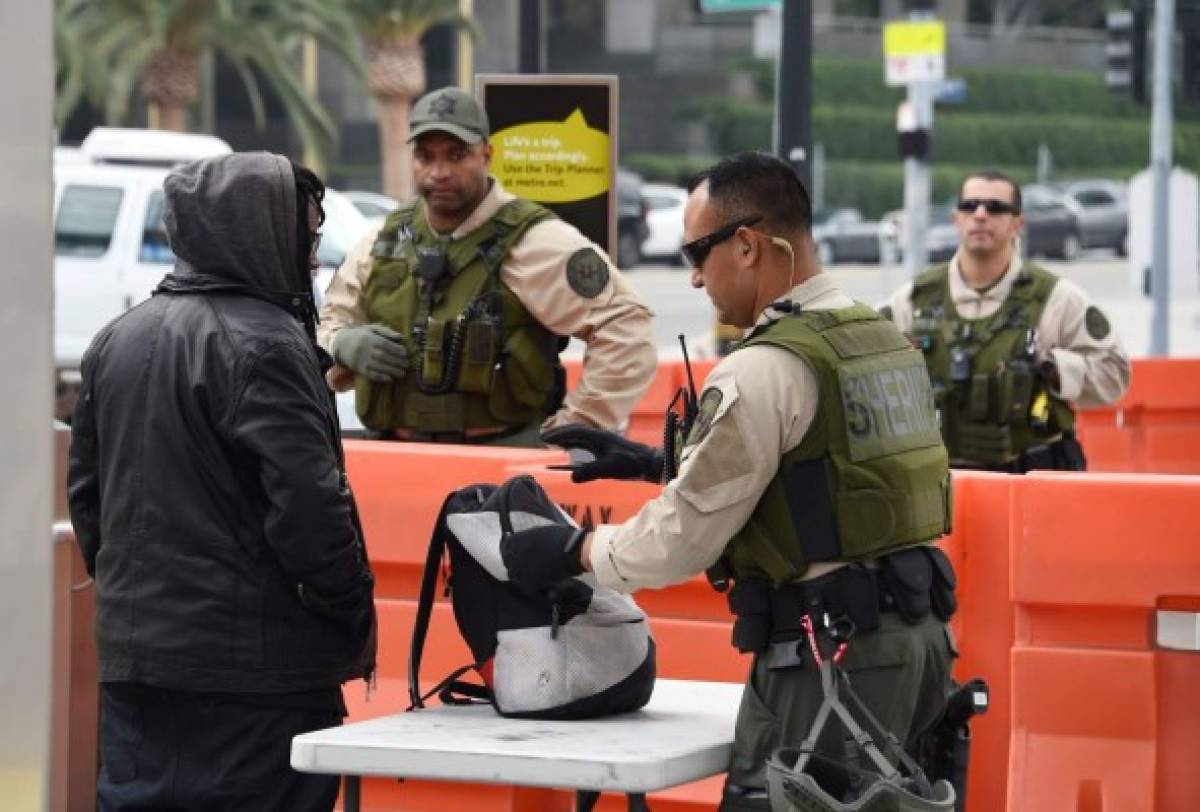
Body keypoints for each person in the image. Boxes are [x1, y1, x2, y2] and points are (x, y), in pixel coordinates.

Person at [498, 152, 958, 810]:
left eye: (698, 252)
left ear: (745, 246)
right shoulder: (879, 339)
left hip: (831, 656)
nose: (692, 277)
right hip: (916, 647)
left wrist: (573, 552)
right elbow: (832, 477)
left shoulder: (765, 367)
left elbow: (681, 540)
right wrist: (652, 461)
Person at [67, 153, 376, 812]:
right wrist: (345, 614)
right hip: (258, 675)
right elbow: (311, 514)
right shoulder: (270, 345)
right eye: (307, 237)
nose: (313, 258)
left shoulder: (115, 339)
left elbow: (88, 501)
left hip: (136, 659)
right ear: (260, 233)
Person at [317, 86, 657, 445]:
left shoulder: (534, 240)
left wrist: (577, 427)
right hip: (399, 457)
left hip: (497, 462)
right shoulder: (384, 241)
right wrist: (342, 342)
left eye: (456, 155)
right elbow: (329, 321)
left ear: (487, 154)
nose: (439, 172)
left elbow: (626, 325)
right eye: (425, 156)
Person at [880, 170, 1131, 472]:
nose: (981, 215)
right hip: (940, 484)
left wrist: (1054, 369)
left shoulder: (1055, 299)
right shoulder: (914, 299)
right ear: (956, 219)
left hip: (1032, 480)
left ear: (1017, 223)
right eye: (970, 206)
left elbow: (1114, 372)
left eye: (996, 207)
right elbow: (866, 377)